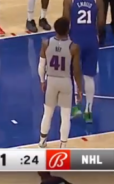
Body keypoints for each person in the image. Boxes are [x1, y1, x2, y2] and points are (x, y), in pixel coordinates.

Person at [62, 0, 104, 123]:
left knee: (74, 74)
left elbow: (65, 22)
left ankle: (76, 108)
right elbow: (101, 23)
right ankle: (88, 111)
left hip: (75, 41)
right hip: (91, 40)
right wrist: (97, 36)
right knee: (89, 77)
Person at [38, 17, 82, 149]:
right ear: (68, 29)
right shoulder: (73, 47)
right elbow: (76, 70)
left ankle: (42, 141)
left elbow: (41, 66)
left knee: (47, 113)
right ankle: (63, 145)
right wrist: (79, 88)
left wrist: (42, 80)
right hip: (66, 81)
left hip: (51, 80)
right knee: (65, 116)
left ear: (55, 29)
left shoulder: (46, 43)